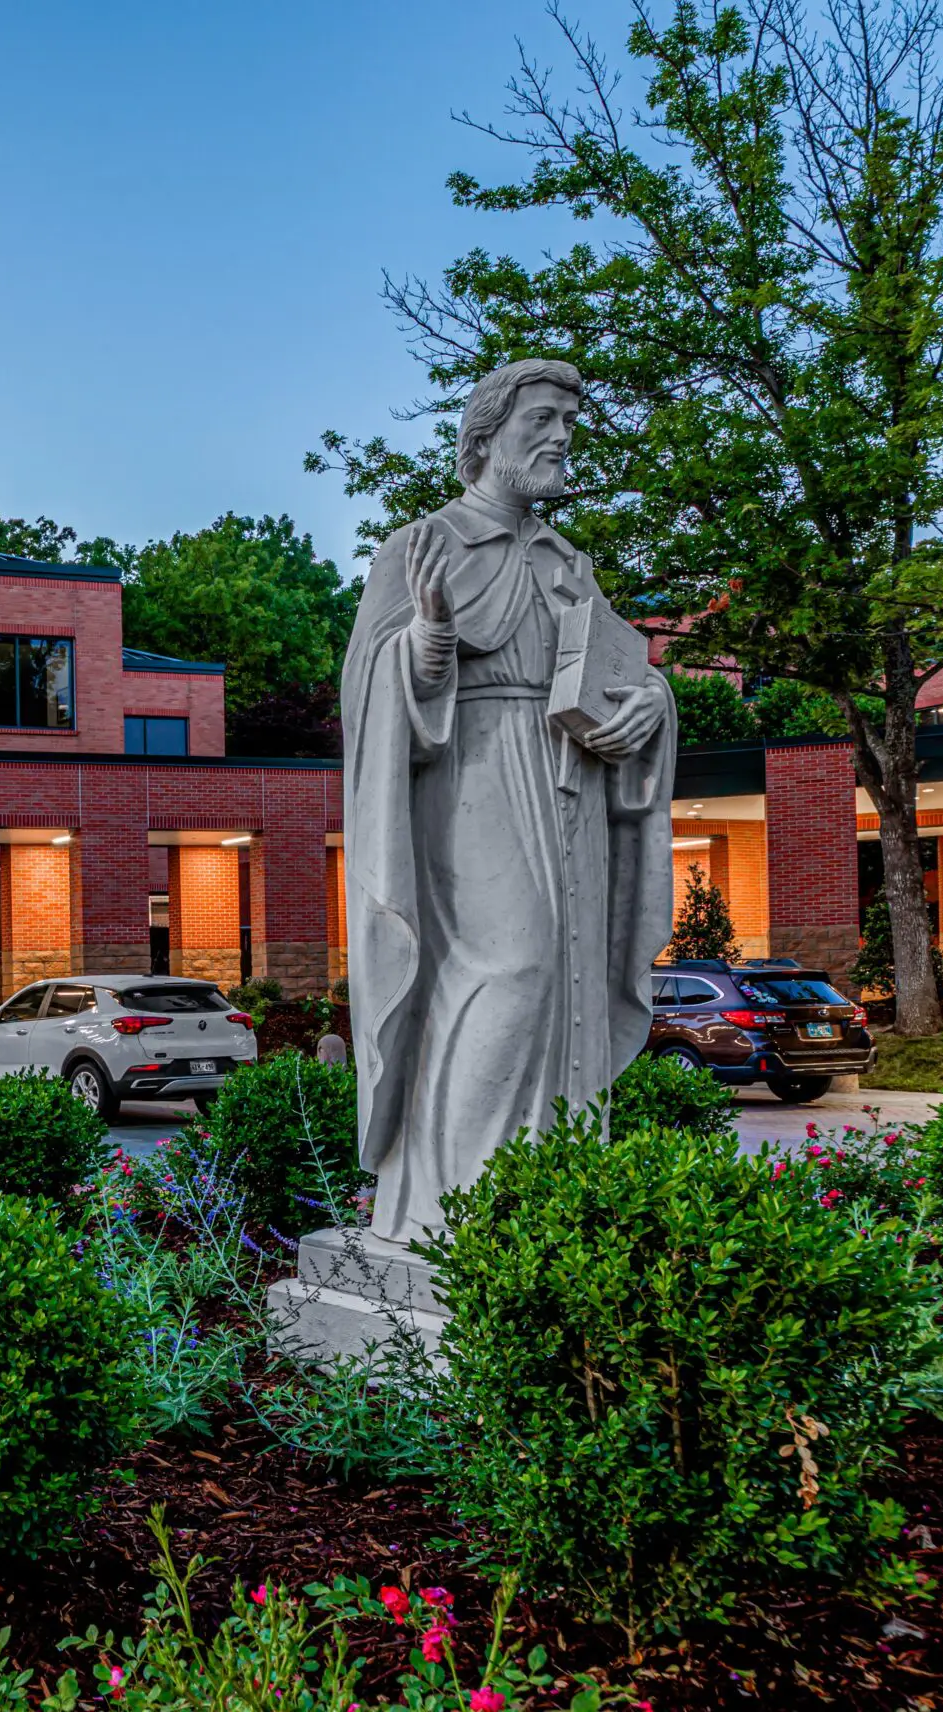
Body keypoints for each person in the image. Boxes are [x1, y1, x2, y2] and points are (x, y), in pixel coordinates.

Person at [340, 358, 674, 1243]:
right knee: (511, 970)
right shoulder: (424, 545)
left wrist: (652, 707)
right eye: (544, 419)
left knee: (571, 974)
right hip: (472, 779)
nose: (563, 436)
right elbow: (369, 695)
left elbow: (617, 672)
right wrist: (431, 639)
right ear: (486, 437)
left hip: (575, 789)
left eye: (571, 419)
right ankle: (454, 1210)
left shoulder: (570, 563)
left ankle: (550, 1209)